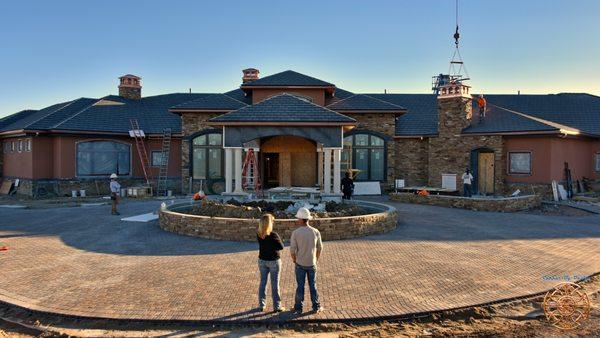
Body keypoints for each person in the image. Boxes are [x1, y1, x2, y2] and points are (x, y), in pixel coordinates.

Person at [290, 207, 323, 314]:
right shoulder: (315, 232)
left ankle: (298, 308)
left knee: (300, 286)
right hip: (312, 263)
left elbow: (292, 250)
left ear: (300, 219)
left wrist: (295, 260)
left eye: (297, 218)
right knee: (313, 285)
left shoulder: (296, 233)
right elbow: (320, 248)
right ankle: (316, 307)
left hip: (300, 263)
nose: (297, 220)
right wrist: (316, 259)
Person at [256, 213, 285, 312]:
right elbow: (281, 247)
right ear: (269, 223)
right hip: (273, 261)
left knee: (263, 283)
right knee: (275, 284)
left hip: (262, 260)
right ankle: (277, 306)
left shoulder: (259, 234)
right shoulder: (273, 235)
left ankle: (261, 305)